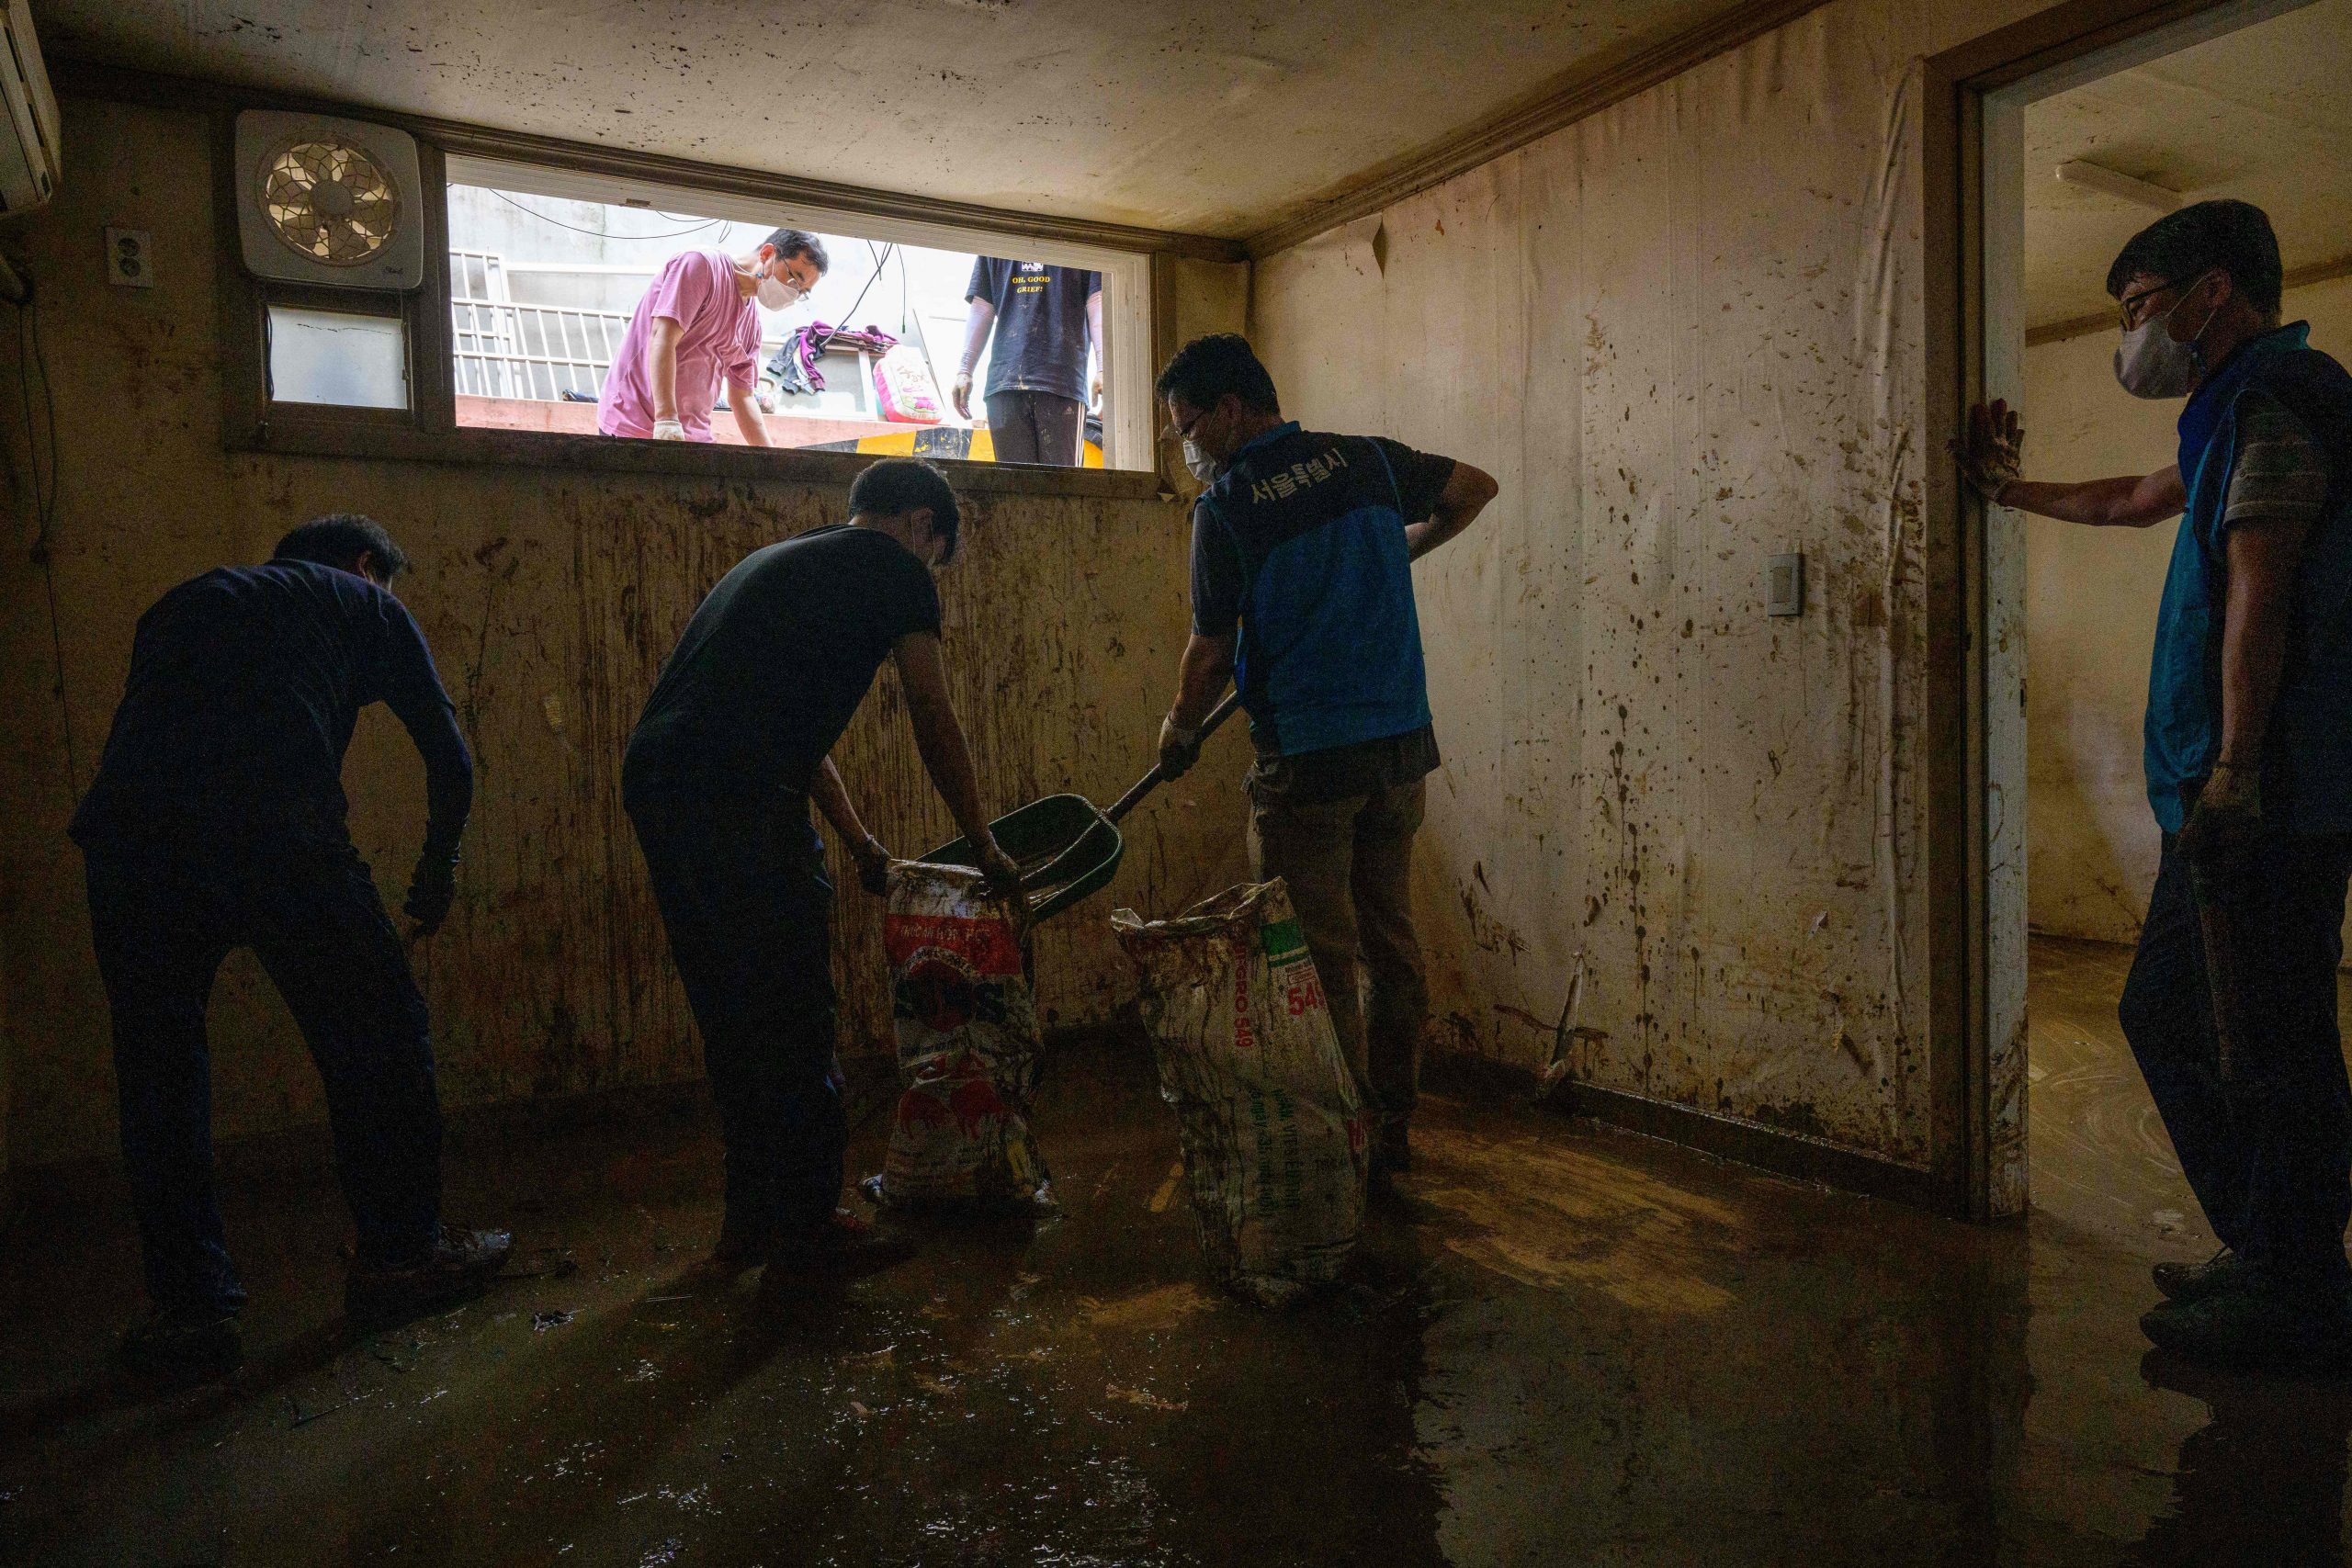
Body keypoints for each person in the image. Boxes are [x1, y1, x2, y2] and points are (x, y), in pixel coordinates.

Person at [1958, 199, 2352, 1368]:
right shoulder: (2232, 413)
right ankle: (2281, 1258)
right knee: (2228, 1022)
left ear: (2210, 294)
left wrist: (2233, 771)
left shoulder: (2280, 403)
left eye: (2137, 310)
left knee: (2249, 1029)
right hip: (2239, 789)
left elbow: (2260, 593)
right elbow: (2134, 500)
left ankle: (2299, 1294)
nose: (2131, 336)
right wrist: (2009, 492)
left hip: (2263, 792)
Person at [70, 514, 509, 1384]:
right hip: (277, 828)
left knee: (161, 1072)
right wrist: (435, 876)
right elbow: (451, 762)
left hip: (128, 839)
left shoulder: (186, 599)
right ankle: (401, 1255)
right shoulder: (363, 600)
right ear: (363, 565)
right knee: (380, 1034)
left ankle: (191, 1312)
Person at [623, 457, 1023, 1278]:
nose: (929, 572)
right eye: (934, 552)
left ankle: (750, 1225)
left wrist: (861, 844)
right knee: (796, 1008)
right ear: (921, 526)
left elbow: (794, 742)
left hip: (664, 782)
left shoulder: (788, 561)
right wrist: (983, 842)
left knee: (734, 1010)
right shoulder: (895, 571)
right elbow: (931, 708)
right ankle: (806, 1229)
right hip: (736, 794)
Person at [1150, 334, 1498, 1187]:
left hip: (1308, 761)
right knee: (1391, 940)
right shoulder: (1368, 460)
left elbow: (1208, 653)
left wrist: (1178, 727)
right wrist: (1399, 548)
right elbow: (1473, 490)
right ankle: (1392, 1130)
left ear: (1232, 410)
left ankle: (1340, 1143)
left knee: (1318, 958)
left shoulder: (1228, 506)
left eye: (1189, 427)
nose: (1189, 449)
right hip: (1400, 748)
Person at [597, 227, 828, 446]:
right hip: (633, 424)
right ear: (767, 254)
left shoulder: (751, 327)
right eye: (792, 279)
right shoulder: (701, 266)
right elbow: (662, 337)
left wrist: (771, 458)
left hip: (691, 438)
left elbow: (743, 396)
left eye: (801, 291)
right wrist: (666, 421)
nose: (792, 293)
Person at [952, 259, 1102, 466]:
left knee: (1063, 487)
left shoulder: (1080, 237)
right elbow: (982, 307)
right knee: (1015, 487)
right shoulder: (997, 236)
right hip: (1006, 384)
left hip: (1060, 384)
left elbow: (1097, 302)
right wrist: (964, 370)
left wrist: (1103, 367)